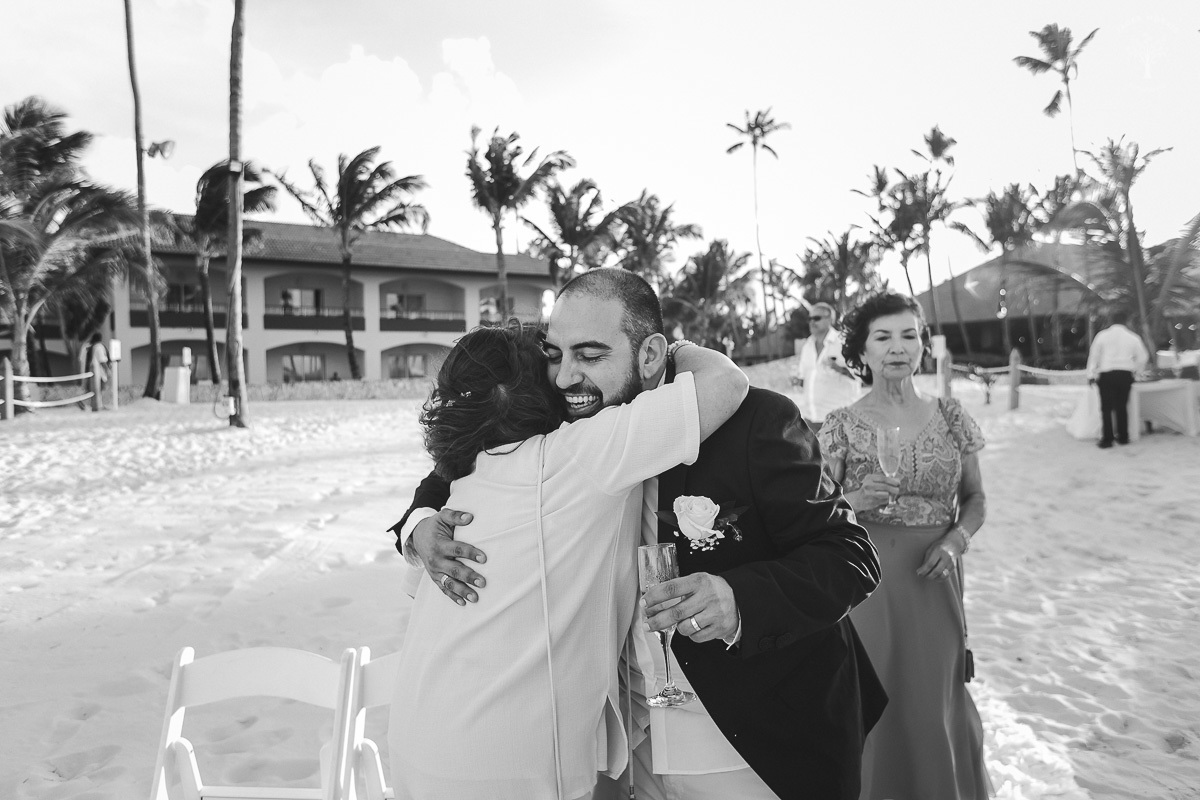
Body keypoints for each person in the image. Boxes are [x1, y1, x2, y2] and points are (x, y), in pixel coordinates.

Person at [395, 269, 885, 800]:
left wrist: (739, 598)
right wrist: (419, 524)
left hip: (749, 745)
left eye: (590, 355)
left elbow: (851, 555)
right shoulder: (557, 426)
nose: (563, 378)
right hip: (625, 753)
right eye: (555, 354)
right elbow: (457, 467)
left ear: (651, 355)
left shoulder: (754, 422)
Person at [389, 320, 748, 800]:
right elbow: (726, 382)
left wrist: (417, 526)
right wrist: (665, 350)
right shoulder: (583, 453)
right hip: (508, 770)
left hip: (415, 744)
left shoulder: (468, 479)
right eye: (556, 360)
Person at [817, 291, 991, 800]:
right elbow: (814, 514)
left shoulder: (953, 416)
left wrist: (956, 542)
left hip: (934, 580)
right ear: (862, 352)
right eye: (883, 337)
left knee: (934, 700)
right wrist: (854, 497)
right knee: (874, 706)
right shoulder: (841, 426)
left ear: (924, 345)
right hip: (864, 583)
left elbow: (977, 499)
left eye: (909, 335)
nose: (898, 347)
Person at [1086, 309, 1149, 448]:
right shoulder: (1133, 337)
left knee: (1106, 408)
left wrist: (1090, 375)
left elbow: (1094, 356)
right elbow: (1143, 357)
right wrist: (1135, 371)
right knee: (1122, 406)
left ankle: (1107, 439)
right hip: (1125, 374)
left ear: (1110, 321)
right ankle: (1123, 437)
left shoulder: (1102, 335)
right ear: (1126, 321)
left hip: (1107, 374)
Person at [794, 302, 860, 431]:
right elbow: (805, 378)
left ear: (830, 319)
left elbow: (859, 377)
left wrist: (840, 369)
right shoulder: (807, 345)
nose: (812, 322)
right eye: (810, 319)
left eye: (816, 318)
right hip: (811, 420)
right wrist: (797, 381)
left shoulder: (843, 342)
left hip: (839, 420)